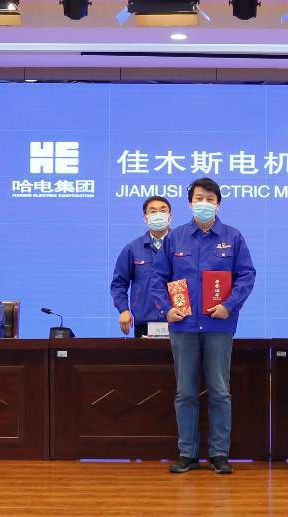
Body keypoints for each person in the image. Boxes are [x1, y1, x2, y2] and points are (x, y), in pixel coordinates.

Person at [150, 178, 256, 475]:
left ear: (218, 204)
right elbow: (157, 278)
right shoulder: (175, 238)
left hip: (219, 325)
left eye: (210, 199)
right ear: (190, 203)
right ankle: (187, 453)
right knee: (185, 392)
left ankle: (219, 454)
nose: (204, 204)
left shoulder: (233, 237)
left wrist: (229, 305)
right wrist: (166, 309)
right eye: (199, 198)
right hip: (183, 326)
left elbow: (246, 276)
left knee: (219, 391)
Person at [111, 196, 172, 338]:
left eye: (163, 211)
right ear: (145, 218)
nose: (158, 215)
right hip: (145, 321)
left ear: (170, 216)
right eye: (153, 211)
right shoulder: (133, 248)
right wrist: (123, 309)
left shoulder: (181, 245)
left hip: (179, 320)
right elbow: (119, 283)